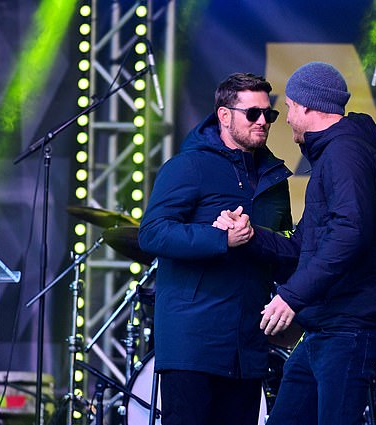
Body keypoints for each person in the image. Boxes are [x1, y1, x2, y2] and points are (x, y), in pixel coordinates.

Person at [214, 62, 376, 424]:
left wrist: (292, 296)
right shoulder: (335, 154)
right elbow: (304, 246)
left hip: (350, 325)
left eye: (290, 108)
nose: (285, 118)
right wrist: (249, 236)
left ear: (308, 107)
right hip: (325, 327)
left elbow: (350, 233)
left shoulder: (345, 152)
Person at [137, 73, 293, 425]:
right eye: (252, 114)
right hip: (193, 344)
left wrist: (258, 240)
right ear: (225, 116)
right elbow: (152, 233)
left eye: (268, 115)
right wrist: (219, 238)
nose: (262, 122)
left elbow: (287, 252)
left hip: (249, 346)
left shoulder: (274, 178)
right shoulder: (189, 165)